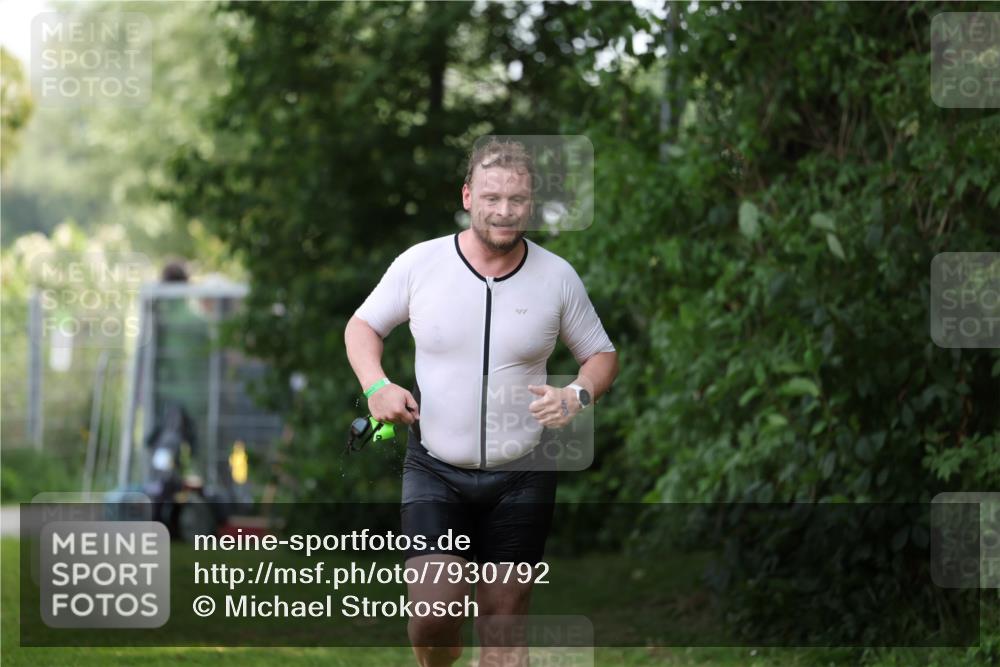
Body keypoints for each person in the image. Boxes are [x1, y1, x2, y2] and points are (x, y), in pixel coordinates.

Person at [345, 138, 619, 667]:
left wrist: (577, 395)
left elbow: (602, 356)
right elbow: (363, 326)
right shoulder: (421, 264)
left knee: (503, 626)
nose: (504, 210)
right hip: (436, 468)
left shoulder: (557, 276)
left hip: (523, 472)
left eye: (517, 200)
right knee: (432, 615)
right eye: (492, 197)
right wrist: (377, 385)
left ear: (531, 205)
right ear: (468, 195)